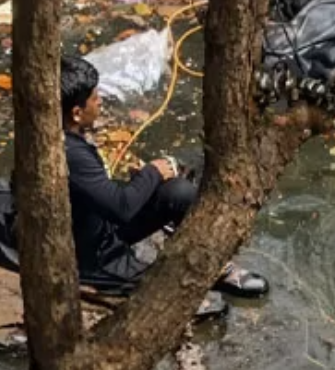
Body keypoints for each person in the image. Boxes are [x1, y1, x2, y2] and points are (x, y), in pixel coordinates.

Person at [60, 54, 268, 303]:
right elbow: (121, 209)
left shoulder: (63, 134)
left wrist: (144, 182)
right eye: (94, 98)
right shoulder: (70, 153)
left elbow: (91, 192)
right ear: (76, 112)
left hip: (93, 221)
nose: (100, 102)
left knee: (178, 192)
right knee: (170, 290)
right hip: (91, 253)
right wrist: (152, 173)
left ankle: (215, 264)